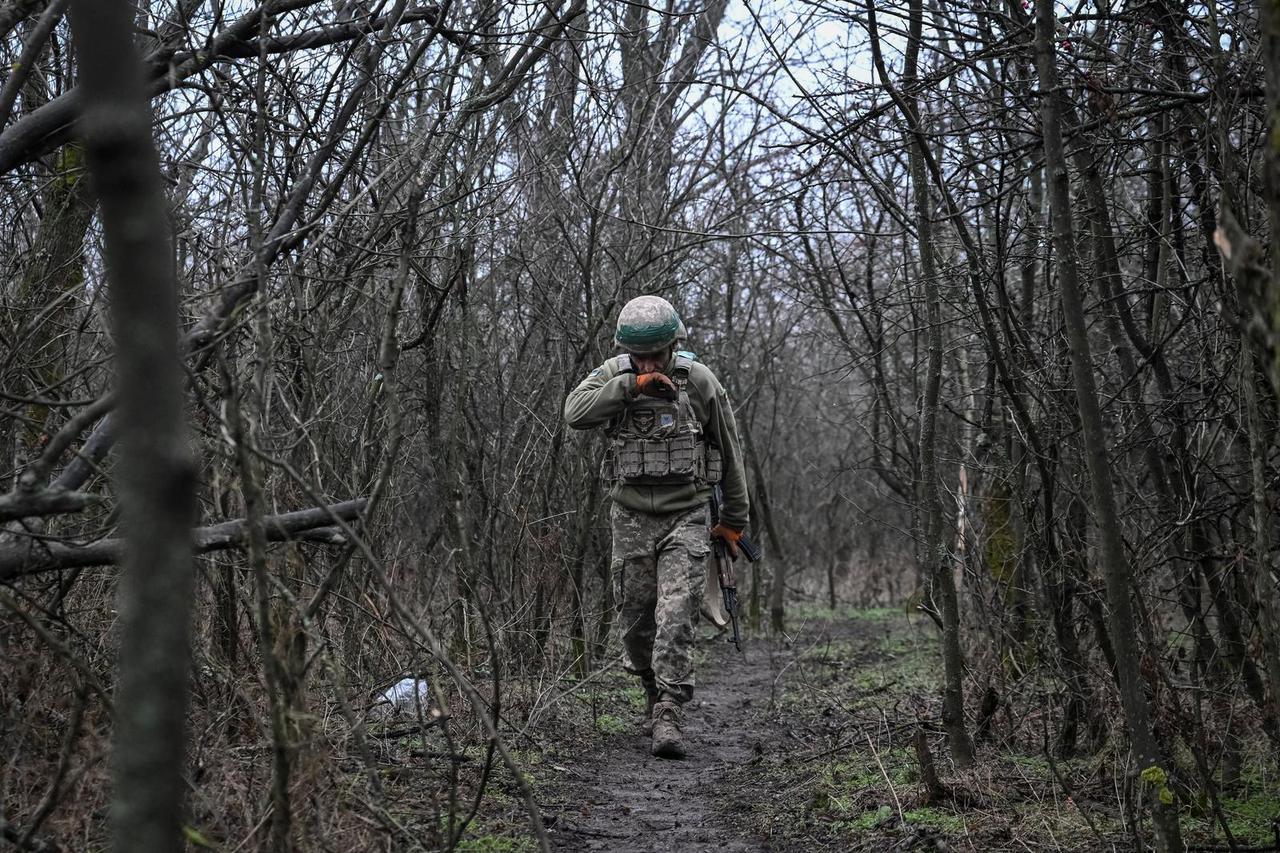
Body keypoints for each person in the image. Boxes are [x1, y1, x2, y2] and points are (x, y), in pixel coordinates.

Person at [563, 295, 750, 758]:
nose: (648, 362)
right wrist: (631, 385)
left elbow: (729, 453)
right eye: (639, 355)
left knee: (676, 610)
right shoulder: (611, 375)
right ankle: (650, 689)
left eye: (656, 354)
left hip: (686, 513)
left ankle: (668, 709)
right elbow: (575, 414)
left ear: (673, 346)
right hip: (629, 517)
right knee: (635, 616)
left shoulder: (700, 381)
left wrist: (733, 521)